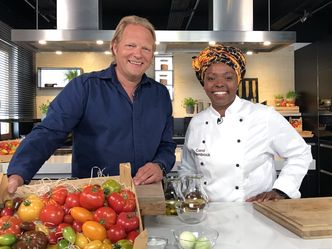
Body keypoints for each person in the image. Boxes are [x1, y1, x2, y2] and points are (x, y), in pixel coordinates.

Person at [7, 15, 176, 193]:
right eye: (131, 45)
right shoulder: (84, 87)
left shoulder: (160, 95)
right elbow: (49, 131)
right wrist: (19, 172)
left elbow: (167, 145)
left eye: (146, 49)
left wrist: (160, 165)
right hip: (92, 202)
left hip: (147, 196)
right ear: (114, 47)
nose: (138, 54)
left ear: (152, 54)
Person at [180, 44, 312, 202]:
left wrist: (281, 190)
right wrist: (189, 193)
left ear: (238, 81)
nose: (219, 83)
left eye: (228, 77)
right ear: (204, 83)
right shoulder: (197, 123)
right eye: (211, 78)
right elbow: (188, 169)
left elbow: (300, 154)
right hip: (209, 214)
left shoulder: (264, 116)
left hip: (255, 213)